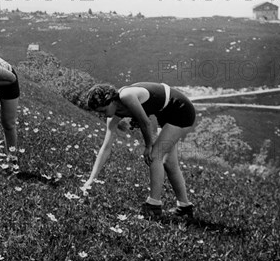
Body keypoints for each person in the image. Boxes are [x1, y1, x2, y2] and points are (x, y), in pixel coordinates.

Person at [84, 82, 196, 219]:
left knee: (155, 156)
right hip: (165, 114)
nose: (103, 115)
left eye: (103, 110)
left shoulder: (126, 96)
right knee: (169, 163)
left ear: (111, 100)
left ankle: (154, 206)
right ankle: (185, 207)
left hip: (180, 109)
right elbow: (105, 147)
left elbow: (145, 122)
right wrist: (91, 180)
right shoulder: (113, 116)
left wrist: (148, 146)